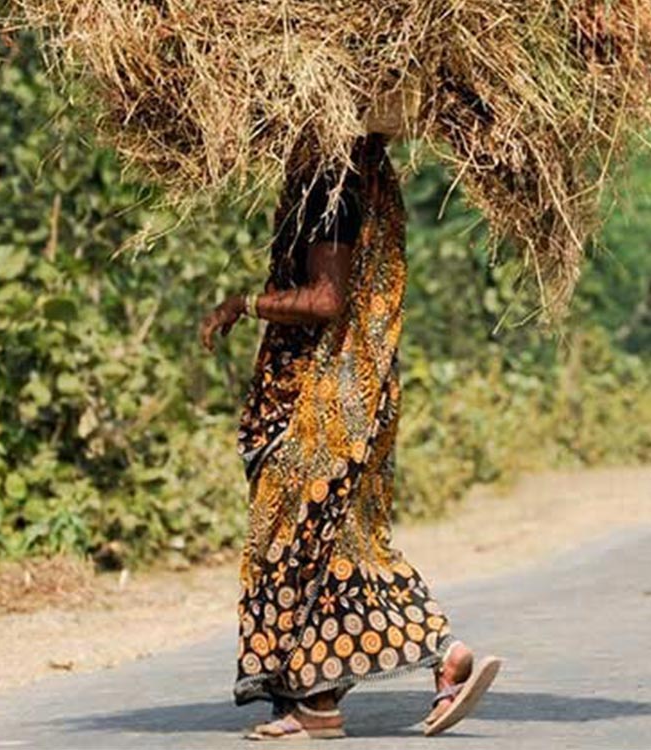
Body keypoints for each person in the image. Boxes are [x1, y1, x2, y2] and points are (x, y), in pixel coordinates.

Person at [200, 135, 503, 741]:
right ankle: (317, 703)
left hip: (322, 404)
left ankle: (438, 650)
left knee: (293, 541)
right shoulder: (369, 172)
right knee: (336, 544)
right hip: (359, 394)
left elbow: (325, 299)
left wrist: (244, 304)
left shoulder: (328, 185)